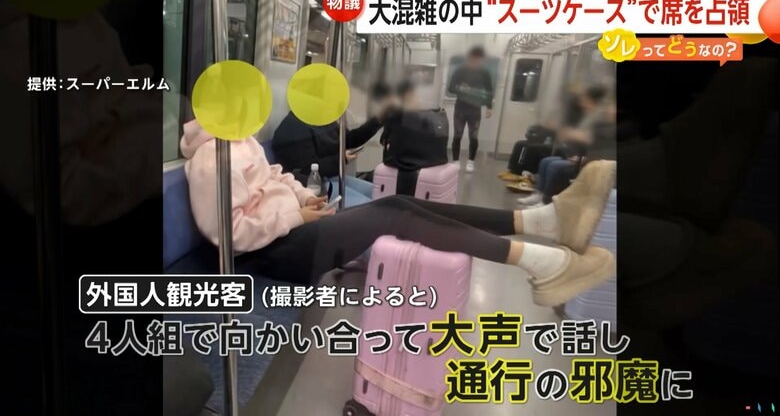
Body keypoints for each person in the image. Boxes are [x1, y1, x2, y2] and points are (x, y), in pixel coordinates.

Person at [181, 119, 617, 307]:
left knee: (404, 205)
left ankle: (540, 223)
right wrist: (297, 218)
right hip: (272, 254)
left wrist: (300, 199)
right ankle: (540, 262)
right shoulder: (208, 160)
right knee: (395, 213)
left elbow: (276, 177)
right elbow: (230, 234)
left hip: (294, 230)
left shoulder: (241, 139)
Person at [272, 83, 394, 207]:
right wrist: (341, 159)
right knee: (371, 205)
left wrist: (378, 120)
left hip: (331, 177)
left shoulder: (321, 119)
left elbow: (348, 139)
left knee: (381, 195)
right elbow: (307, 170)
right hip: (312, 187)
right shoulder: (293, 128)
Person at [518, 85, 613, 206]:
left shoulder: (602, 124)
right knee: (546, 161)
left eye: (585, 100)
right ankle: (539, 194)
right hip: (577, 155)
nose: (582, 103)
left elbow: (596, 145)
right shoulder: (589, 118)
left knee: (555, 166)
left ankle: (547, 202)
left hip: (587, 161)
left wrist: (582, 156)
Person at [448, 46, 494, 172]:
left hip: (475, 108)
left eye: (479, 59)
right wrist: (461, 88)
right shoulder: (460, 70)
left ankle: (470, 162)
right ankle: (456, 161)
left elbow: (489, 90)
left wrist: (489, 106)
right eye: (474, 58)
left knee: (473, 136)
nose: (476, 61)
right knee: (457, 135)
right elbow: (451, 88)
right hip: (461, 107)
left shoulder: (484, 72)